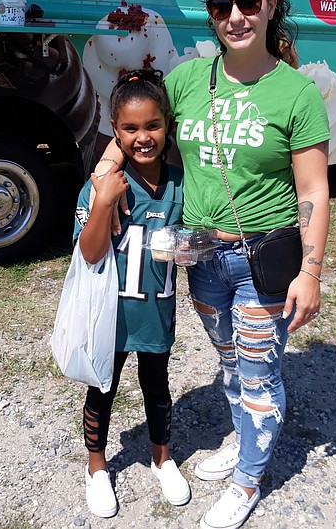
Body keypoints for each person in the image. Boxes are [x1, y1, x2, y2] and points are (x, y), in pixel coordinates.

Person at [94, 0, 330, 529]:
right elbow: (136, 123)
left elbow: (315, 193)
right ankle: (241, 438)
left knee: (257, 372)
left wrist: (312, 271)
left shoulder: (296, 93)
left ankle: (249, 480)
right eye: (222, 6)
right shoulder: (189, 79)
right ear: (211, 13)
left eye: (248, 2)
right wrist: (104, 172)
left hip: (265, 259)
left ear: (270, 5)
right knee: (228, 361)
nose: (235, 16)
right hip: (202, 255)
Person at [74, 68, 190, 518]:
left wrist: (188, 245)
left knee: (157, 387)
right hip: (110, 312)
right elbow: (88, 251)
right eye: (130, 128)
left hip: (156, 308)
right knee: (102, 386)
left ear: (168, 126)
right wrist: (103, 202)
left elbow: (193, 234)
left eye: (153, 125)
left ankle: (163, 458)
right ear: (115, 132)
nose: (143, 137)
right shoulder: (102, 186)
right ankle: (97, 467)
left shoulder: (181, 182)